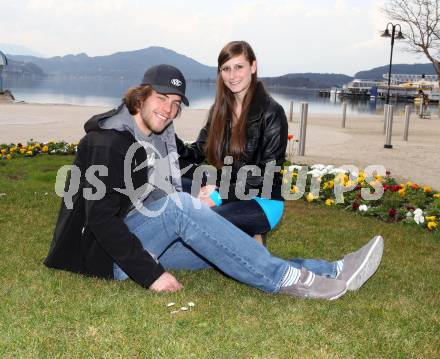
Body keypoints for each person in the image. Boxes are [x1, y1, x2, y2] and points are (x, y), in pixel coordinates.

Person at [44, 64, 383, 300]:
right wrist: (151, 274)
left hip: (139, 237)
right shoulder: (107, 142)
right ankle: (288, 281)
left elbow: (159, 188)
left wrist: (209, 198)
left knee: (222, 248)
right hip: (103, 259)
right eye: (161, 99)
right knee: (182, 207)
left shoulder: (151, 139)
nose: (168, 110)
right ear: (140, 97)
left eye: (175, 104)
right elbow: (100, 219)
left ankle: (332, 270)